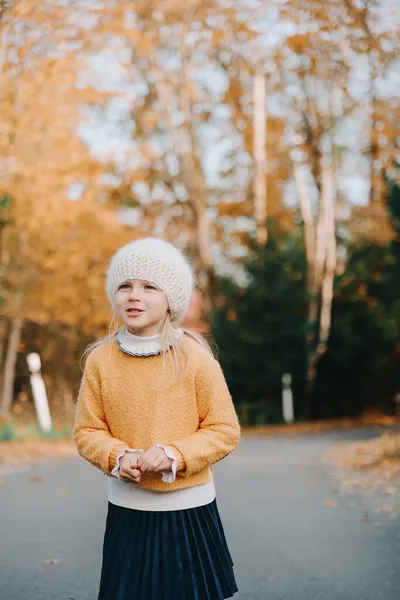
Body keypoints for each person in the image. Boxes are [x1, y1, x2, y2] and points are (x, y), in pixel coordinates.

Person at [74, 237, 241, 600]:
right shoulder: (100, 360)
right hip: (128, 509)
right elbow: (88, 430)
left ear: (171, 299)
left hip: (188, 509)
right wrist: (118, 456)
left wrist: (174, 455)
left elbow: (224, 429)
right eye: (125, 286)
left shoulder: (194, 358)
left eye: (149, 286)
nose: (135, 295)